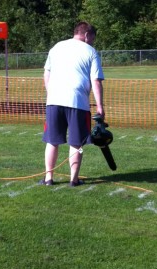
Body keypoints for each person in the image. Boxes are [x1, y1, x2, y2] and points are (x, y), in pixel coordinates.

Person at [39, 21, 105, 187]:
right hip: (78, 102)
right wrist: (100, 106)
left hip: (53, 101)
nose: (92, 42)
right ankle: (73, 180)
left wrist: (51, 93)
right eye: (92, 38)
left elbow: (46, 74)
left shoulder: (56, 47)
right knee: (77, 143)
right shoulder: (91, 51)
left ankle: (48, 178)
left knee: (52, 141)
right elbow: (96, 81)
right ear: (87, 35)